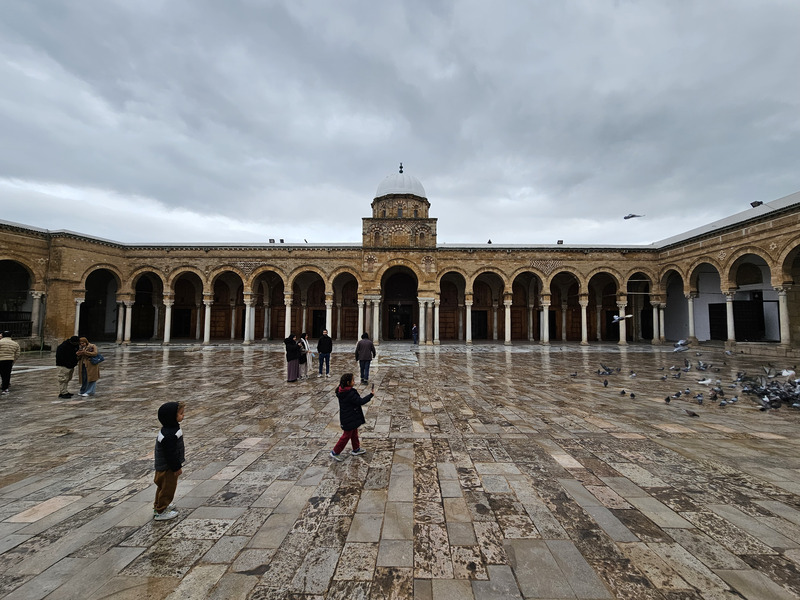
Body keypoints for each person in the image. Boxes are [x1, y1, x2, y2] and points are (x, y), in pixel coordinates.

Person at [330, 373, 374, 461]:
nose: (354, 382)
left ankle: (356, 449)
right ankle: (335, 452)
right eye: (353, 380)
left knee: (354, 433)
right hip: (349, 417)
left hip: (350, 416)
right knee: (346, 436)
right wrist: (371, 395)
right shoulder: (349, 393)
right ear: (348, 382)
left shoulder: (341, 391)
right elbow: (360, 401)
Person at [153, 401, 185, 521]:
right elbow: (170, 453)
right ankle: (161, 511)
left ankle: (159, 505)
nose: (183, 416)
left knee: (162, 487)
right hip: (167, 467)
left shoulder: (169, 429)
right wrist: (176, 467)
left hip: (163, 466)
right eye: (181, 413)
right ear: (172, 417)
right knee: (167, 488)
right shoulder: (170, 435)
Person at [0, 331, 21, 395]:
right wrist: (13, 360)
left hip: (0, 360)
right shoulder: (15, 344)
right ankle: (5, 389)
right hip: (9, 360)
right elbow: (17, 354)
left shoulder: (0, 342)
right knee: (6, 375)